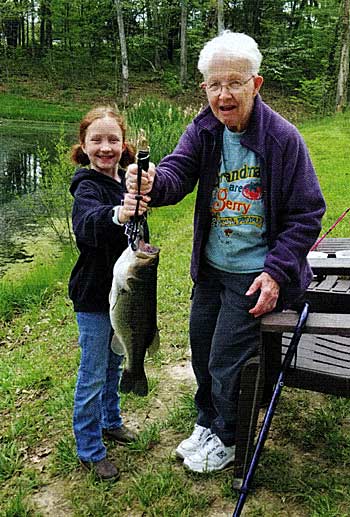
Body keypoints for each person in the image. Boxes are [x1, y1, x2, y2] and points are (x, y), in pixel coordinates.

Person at [126, 31, 326, 473]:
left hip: (255, 274)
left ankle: (231, 437)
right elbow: (177, 172)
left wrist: (276, 273)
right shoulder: (204, 129)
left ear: (255, 84)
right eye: (214, 85)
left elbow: (308, 212)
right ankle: (208, 421)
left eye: (234, 83)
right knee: (202, 351)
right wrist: (152, 183)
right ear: (205, 90)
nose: (223, 94)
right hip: (212, 270)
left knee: (227, 362)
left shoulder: (282, 139)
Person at [68, 106, 149, 481]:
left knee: (115, 362)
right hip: (93, 298)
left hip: (122, 298)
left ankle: (110, 421)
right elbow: (87, 225)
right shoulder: (86, 186)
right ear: (83, 147)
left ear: (124, 144)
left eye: (113, 139)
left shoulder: (125, 183)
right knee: (93, 373)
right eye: (96, 140)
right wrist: (118, 213)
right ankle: (88, 447)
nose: (105, 147)